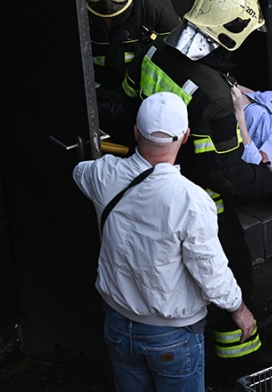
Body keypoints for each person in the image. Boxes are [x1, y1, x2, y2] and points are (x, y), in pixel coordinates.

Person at [122, 0, 272, 382]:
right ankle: (240, 369)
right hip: (203, 206)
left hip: (147, 186)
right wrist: (265, 180)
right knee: (232, 282)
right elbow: (225, 174)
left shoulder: (154, 49)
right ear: (230, 34)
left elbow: (127, 98)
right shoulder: (214, 97)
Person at [72, 92, 255, 392]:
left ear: (136, 132)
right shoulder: (192, 200)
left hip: (118, 325)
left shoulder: (104, 175)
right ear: (185, 137)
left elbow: (79, 172)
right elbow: (210, 271)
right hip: (172, 337)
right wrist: (238, 309)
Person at [83, 0, 180, 145]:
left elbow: (177, 57)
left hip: (138, 92)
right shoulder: (78, 3)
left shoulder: (156, 5)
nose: (108, 21)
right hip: (97, 90)